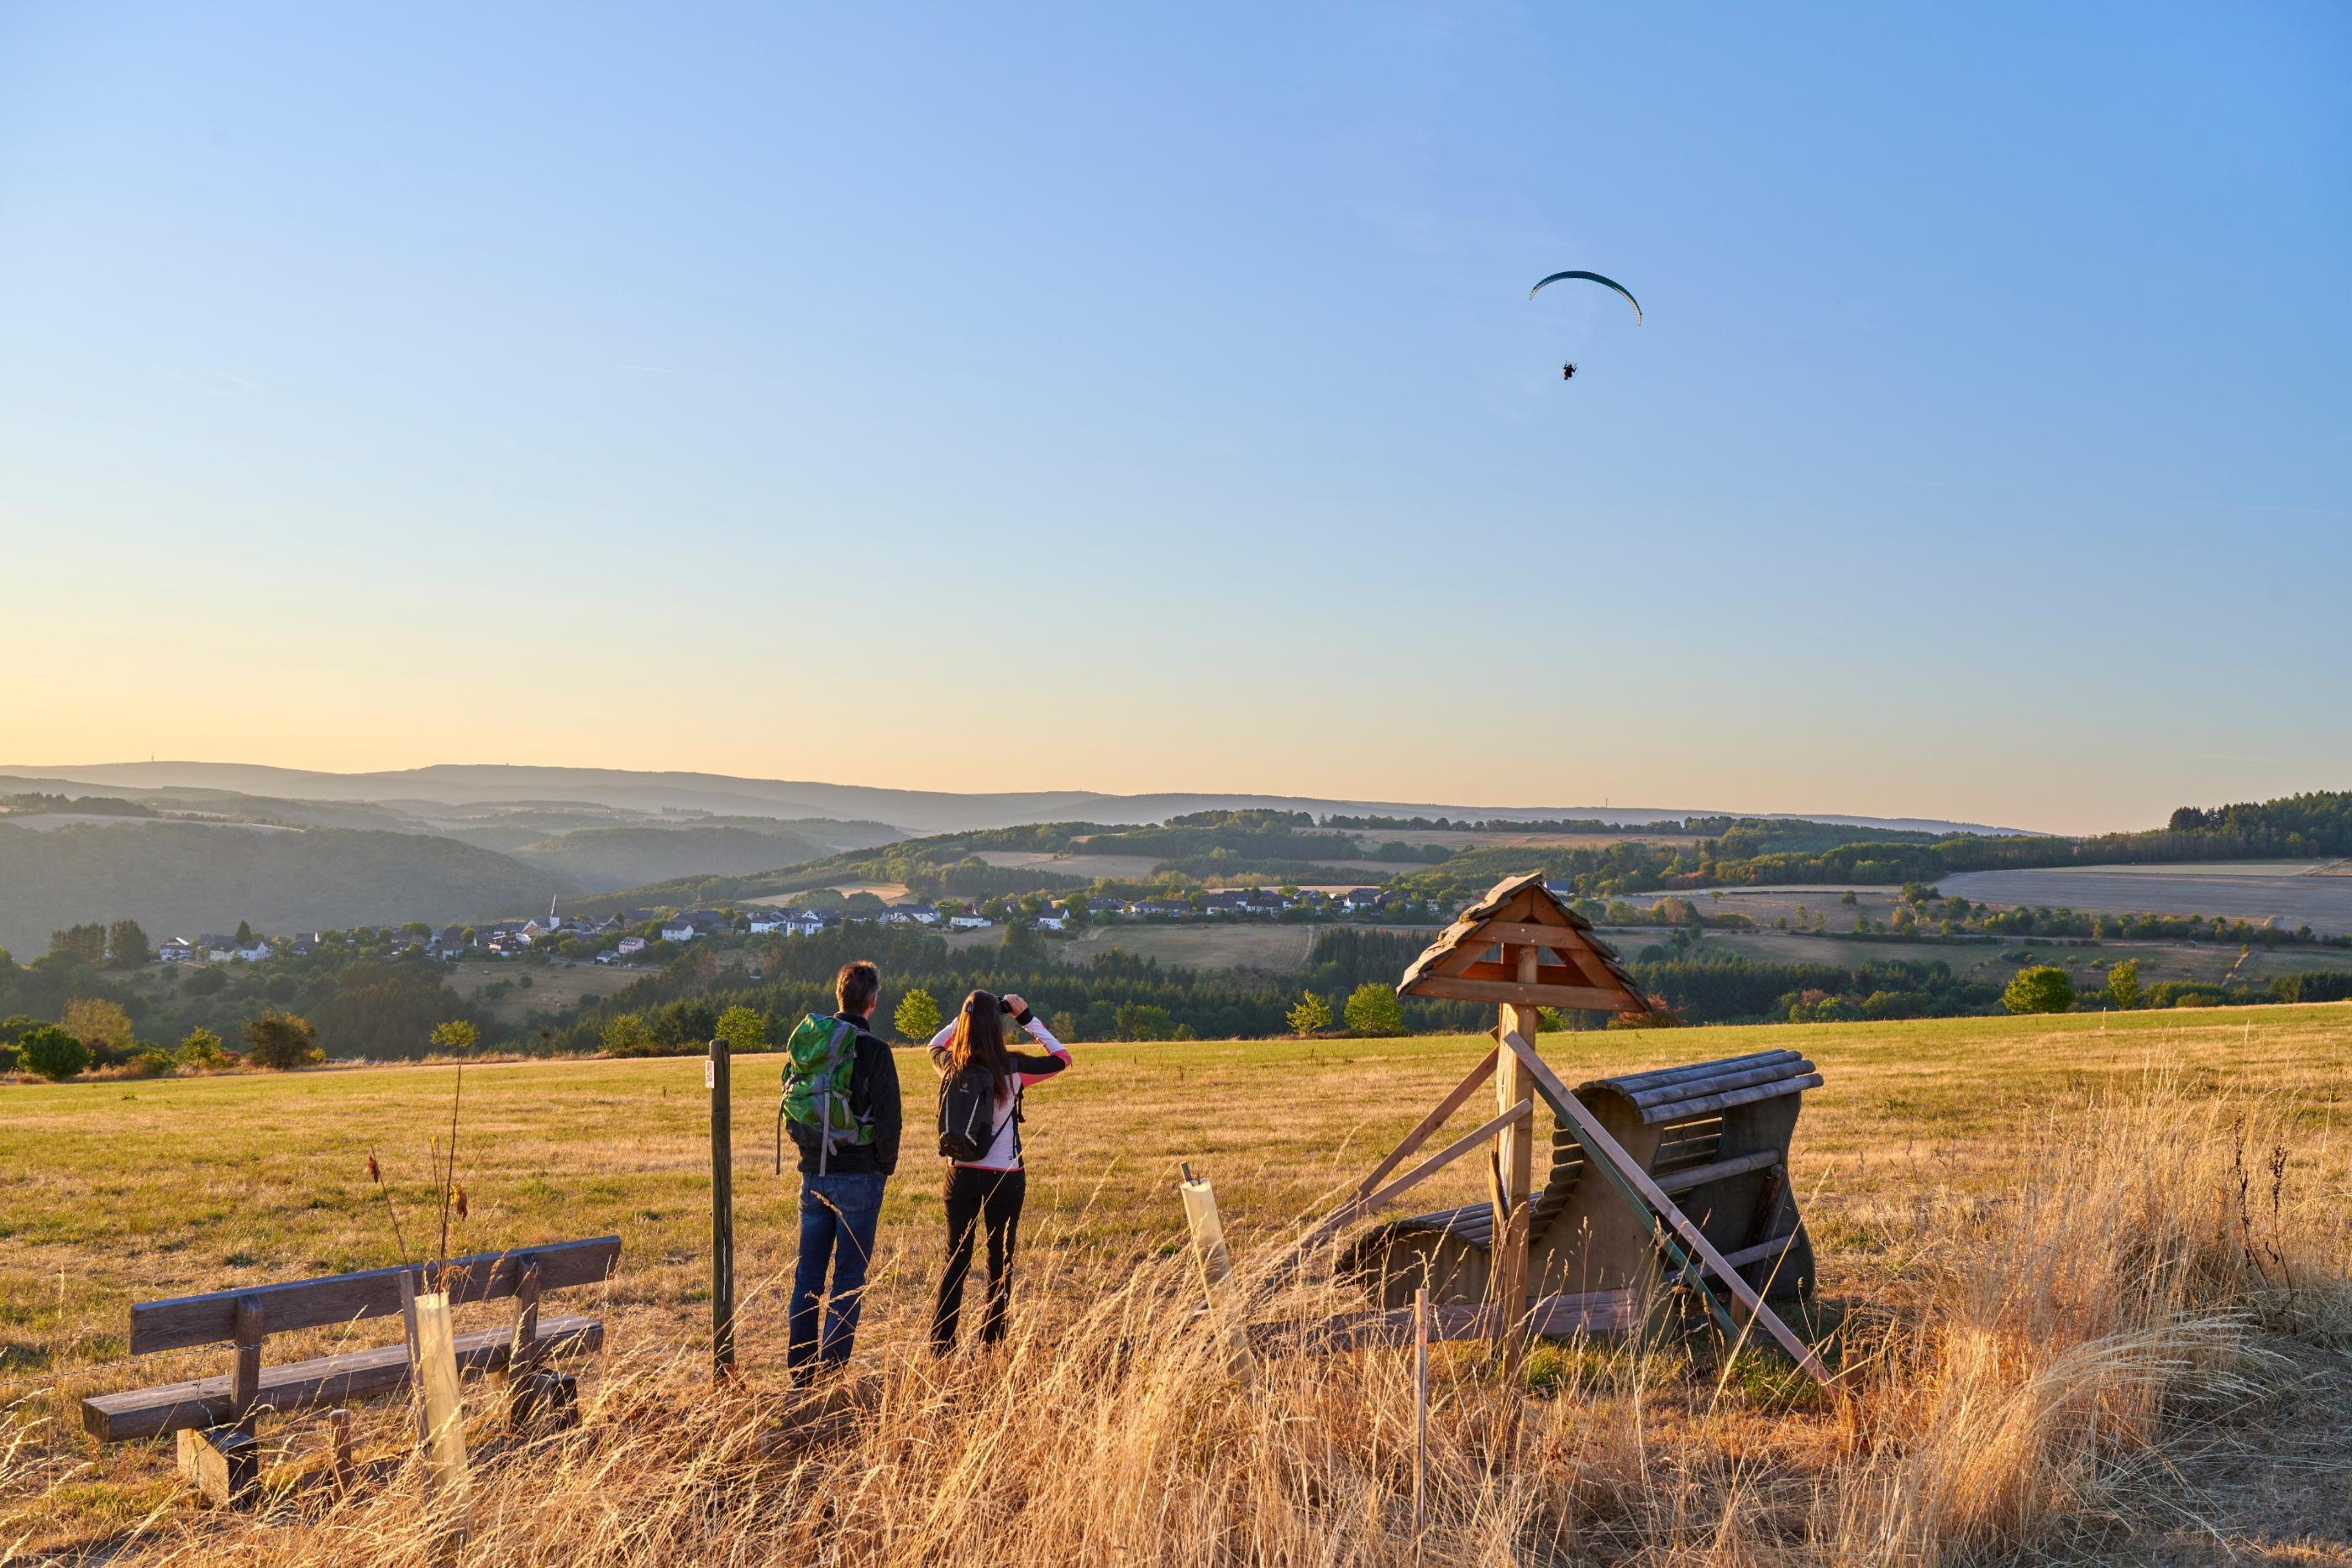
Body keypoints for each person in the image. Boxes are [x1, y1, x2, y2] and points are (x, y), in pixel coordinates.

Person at [927, 990, 1069, 1353]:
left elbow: (933, 1045)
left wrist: (963, 1019)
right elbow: (1061, 1059)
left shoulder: (950, 1065)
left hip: (960, 1174)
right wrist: (1026, 1019)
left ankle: (942, 1345)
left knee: (954, 1259)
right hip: (1005, 1175)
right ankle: (992, 1342)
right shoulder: (1014, 1066)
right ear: (998, 1025)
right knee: (999, 1260)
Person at [785, 960, 902, 1382]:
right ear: (873, 1001)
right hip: (860, 1176)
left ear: (840, 997)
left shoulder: (814, 1044)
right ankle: (831, 1376)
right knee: (849, 1278)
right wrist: (882, 1168)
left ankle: (800, 1374)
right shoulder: (875, 1050)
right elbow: (890, 1120)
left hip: (812, 1172)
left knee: (808, 1278)